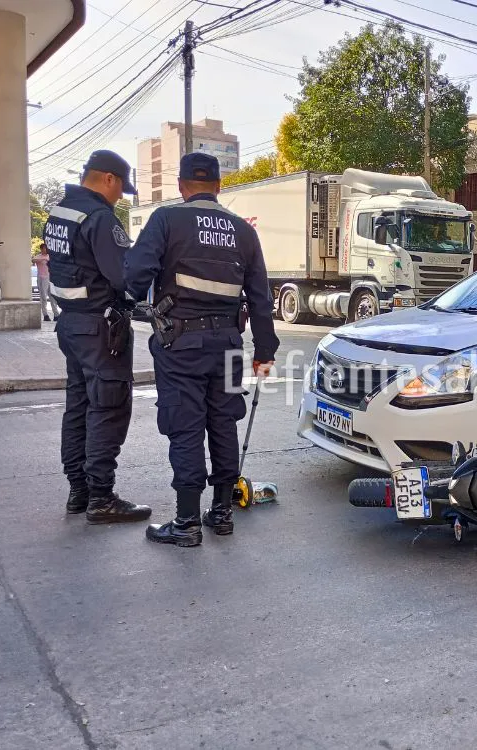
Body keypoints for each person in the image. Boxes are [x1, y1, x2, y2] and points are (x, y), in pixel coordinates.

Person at [124, 152, 279, 547]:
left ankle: (187, 522)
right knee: (223, 422)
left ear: (181, 186)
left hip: (180, 344)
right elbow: (261, 299)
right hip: (227, 344)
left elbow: (135, 275)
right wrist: (265, 350)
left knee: (185, 426)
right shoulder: (243, 231)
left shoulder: (166, 219)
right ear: (218, 186)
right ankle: (222, 513)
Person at [43, 150, 152, 524]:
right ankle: (101, 498)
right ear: (108, 179)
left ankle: (79, 490)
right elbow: (125, 275)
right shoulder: (99, 218)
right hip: (100, 329)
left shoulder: (59, 212)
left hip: (71, 324)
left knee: (79, 406)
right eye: (121, 188)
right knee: (108, 407)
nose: (121, 196)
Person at [33, 242, 60, 322]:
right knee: (43, 297)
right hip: (42, 278)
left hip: (50, 278)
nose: (45, 250)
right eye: (44, 248)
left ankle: (56, 314)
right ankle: (45, 315)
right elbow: (33, 260)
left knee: (52, 297)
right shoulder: (38, 257)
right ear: (41, 249)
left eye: (46, 248)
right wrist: (43, 259)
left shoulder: (50, 256)